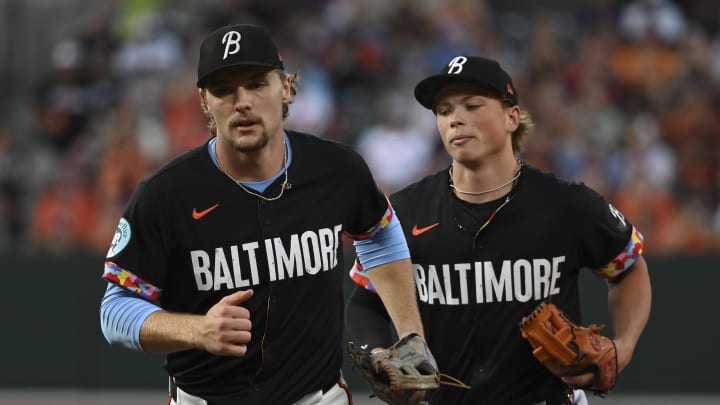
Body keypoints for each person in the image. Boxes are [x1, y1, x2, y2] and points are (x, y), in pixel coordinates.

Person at [99, 24, 427, 405]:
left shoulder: (337, 170)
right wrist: (198, 329)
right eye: (224, 90)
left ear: (285, 87)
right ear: (205, 101)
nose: (243, 102)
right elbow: (115, 309)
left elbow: (380, 232)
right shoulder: (165, 194)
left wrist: (410, 336)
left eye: (257, 84)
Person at [345, 56, 652, 404]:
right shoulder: (404, 211)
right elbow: (365, 302)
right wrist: (376, 356)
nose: (455, 119)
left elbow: (628, 268)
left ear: (512, 117)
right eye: (444, 111)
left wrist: (623, 348)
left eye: (473, 105)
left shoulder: (568, 205)